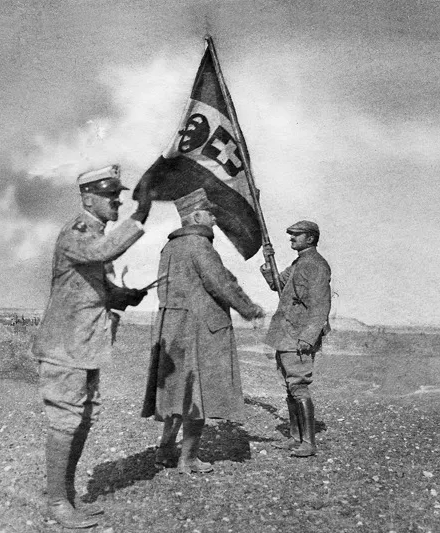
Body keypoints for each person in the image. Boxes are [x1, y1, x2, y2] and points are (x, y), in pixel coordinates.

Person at [33, 164, 152, 529]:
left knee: (83, 418)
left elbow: (92, 285)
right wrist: (139, 216)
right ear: (88, 199)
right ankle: (56, 502)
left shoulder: (93, 234)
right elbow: (101, 252)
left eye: (118, 195)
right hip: (64, 347)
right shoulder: (78, 231)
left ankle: (65, 495)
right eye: (110, 195)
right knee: (66, 420)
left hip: (82, 346)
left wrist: (123, 296)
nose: (117, 201)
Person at [141, 188, 265, 474]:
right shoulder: (199, 245)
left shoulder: (170, 246)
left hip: (171, 328)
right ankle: (188, 460)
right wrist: (250, 308)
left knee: (177, 395)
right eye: (209, 213)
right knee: (198, 395)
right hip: (198, 329)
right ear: (196, 216)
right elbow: (220, 283)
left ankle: (164, 451)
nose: (214, 219)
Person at [259, 220, 331, 458]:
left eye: (296, 235)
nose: (291, 238)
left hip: (299, 335)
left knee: (299, 386)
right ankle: (295, 437)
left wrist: (308, 337)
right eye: (291, 234)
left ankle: (308, 443)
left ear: (310, 238)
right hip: (286, 333)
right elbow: (276, 284)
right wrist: (268, 262)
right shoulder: (299, 263)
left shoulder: (317, 265)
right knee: (290, 387)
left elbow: (321, 305)